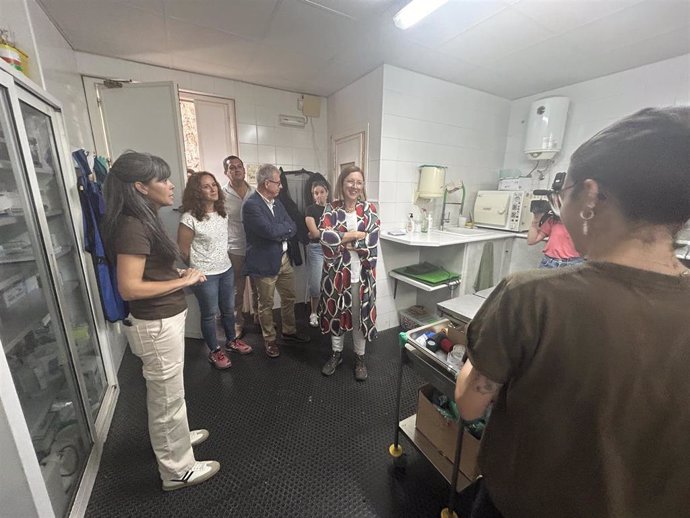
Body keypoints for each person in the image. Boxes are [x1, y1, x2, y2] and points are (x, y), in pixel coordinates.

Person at [454, 107, 690, 518]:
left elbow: (470, 405)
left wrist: (472, 358)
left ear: (591, 196)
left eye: (564, 195)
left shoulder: (531, 297)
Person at [101, 151, 220, 491]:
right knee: (166, 399)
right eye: (163, 180)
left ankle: (177, 439)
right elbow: (129, 287)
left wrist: (178, 272)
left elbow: (151, 270)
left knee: (171, 394)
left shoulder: (145, 217)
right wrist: (183, 281)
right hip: (155, 324)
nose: (171, 186)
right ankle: (176, 469)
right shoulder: (132, 224)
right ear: (140, 186)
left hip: (164, 320)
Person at [177, 172, 252, 370]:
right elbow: (183, 251)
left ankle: (231, 341)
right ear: (196, 191)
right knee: (209, 314)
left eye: (214, 185)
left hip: (226, 269)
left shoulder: (222, 213)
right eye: (206, 186)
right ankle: (214, 351)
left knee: (228, 309)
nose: (213, 189)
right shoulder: (189, 218)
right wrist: (197, 268)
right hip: (204, 275)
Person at [242, 164, 311, 358]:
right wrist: (281, 231)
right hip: (264, 262)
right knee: (266, 304)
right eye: (278, 183)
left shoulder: (277, 202)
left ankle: (289, 332)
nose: (281, 186)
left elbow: (292, 226)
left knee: (289, 297)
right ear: (267, 183)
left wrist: (280, 231)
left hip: (283, 259)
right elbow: (269, 231)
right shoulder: (251, 205)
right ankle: (270, 340)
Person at [319, 165, 379, 381]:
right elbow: (325, 237)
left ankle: (360, 357)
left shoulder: (369, 210)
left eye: (359, 182)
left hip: (361, 276)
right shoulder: (331, 209)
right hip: (336, 275)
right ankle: (336, 354)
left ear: (362, 186)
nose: (354, 186)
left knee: (357, 316)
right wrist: (353, 235)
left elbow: (371, 241)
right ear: (342, 184)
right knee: (336, 313)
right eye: (350, 182)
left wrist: (342, 238)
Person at [222, 155, 259, 339]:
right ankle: (238, 323)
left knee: (258, 285)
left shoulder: (255, 192)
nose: (237, 170)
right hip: (235, 247)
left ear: (244, 170)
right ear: (226, 172)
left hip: (256, 247)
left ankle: (261, 317)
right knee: (237, 289)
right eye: (232, 168)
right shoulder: (221, 194)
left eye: (239, 166)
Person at [304, 180, 329, 327]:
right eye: (316, 193)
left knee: (332, 281)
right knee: (315, 283)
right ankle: (314, 312)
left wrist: (319, 233)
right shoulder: (310, 209)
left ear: (327, 193)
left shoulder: (333, 209)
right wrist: (333, 233)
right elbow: (313, 233)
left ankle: (329, 309)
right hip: (316, 249)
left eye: (321, 192)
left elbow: (342, 231)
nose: (319, 195)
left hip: (333, 248)